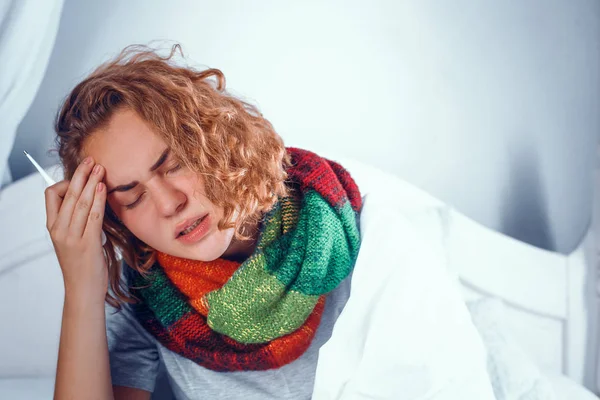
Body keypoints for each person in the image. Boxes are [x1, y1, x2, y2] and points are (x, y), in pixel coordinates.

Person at [45, 44, 362, 400]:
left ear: (219, 137)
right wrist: (82, 289)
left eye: (175, 164)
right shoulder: (142, 294)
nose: (169, 203)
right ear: (116, 221)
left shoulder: (345, 226)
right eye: (133, 197)